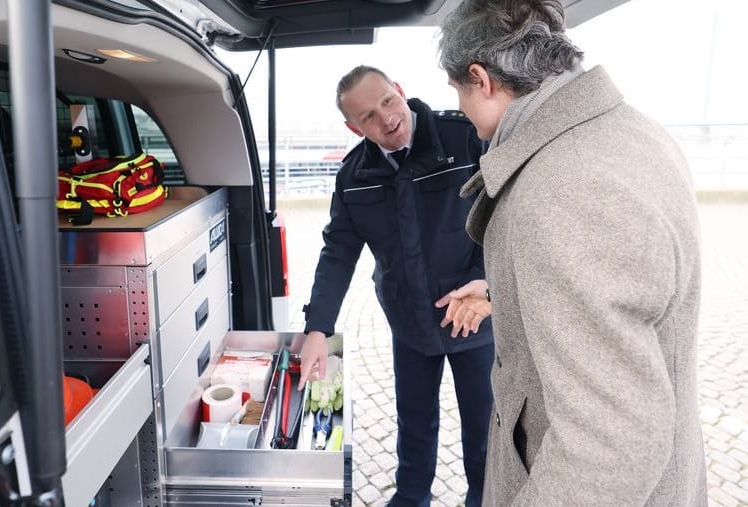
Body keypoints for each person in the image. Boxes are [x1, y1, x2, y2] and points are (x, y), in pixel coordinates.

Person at [436, 1, 707, 505]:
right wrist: (507, 290)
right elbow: (621, 288)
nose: (462, 110)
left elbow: (609, 448)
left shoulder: (565, 183)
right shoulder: (627, 132)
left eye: (458, 92)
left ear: (482, 78)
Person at [297, 65, 494, 507]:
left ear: (400, 91)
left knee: (484, 431)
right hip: (410, 322)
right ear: (353, 127)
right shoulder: (353, 175)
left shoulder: (463, 138)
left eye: (387, 101)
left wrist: (488, 281)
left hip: (473, 316)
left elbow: (507, 214)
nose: (386, 118)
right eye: (368, 116)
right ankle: (409, 499)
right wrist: (317, 330)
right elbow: (338, 253)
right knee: (414, 424)